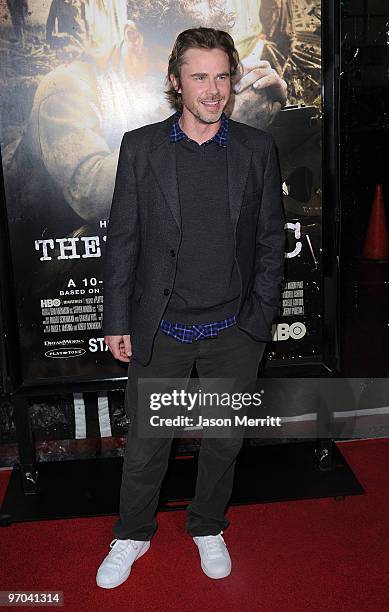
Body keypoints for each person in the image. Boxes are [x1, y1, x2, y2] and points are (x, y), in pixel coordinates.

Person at [97, 26, 285, 588]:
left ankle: (207, 524)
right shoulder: (140, 147)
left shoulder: (256, 149)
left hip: (234, 330)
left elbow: (272, 241)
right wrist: (118, 319)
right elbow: (123, 241)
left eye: (222, 76)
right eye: (200, 77)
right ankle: (131, 533)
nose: (213, 89)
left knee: (223, 442)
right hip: (164, 329)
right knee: (148, 448)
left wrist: (259, 321)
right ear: (176, 83)